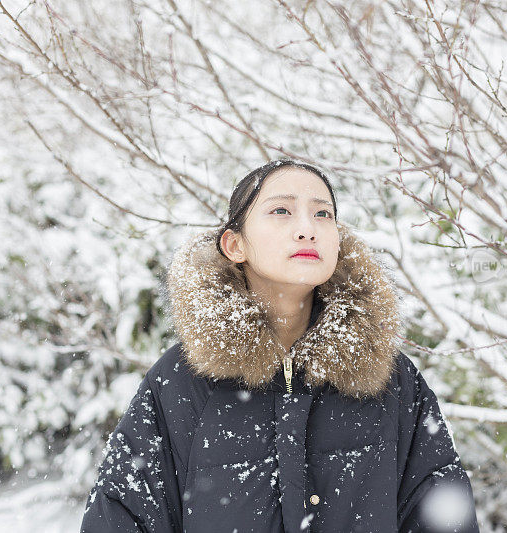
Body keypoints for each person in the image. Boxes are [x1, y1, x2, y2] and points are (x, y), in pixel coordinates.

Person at [80, 159, 479, 532]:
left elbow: (442, 512)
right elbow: (121, 515)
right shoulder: (181, 382)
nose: (307, 228)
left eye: (323, 214)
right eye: (281, 211)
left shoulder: (391, 379)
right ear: (235, 245)